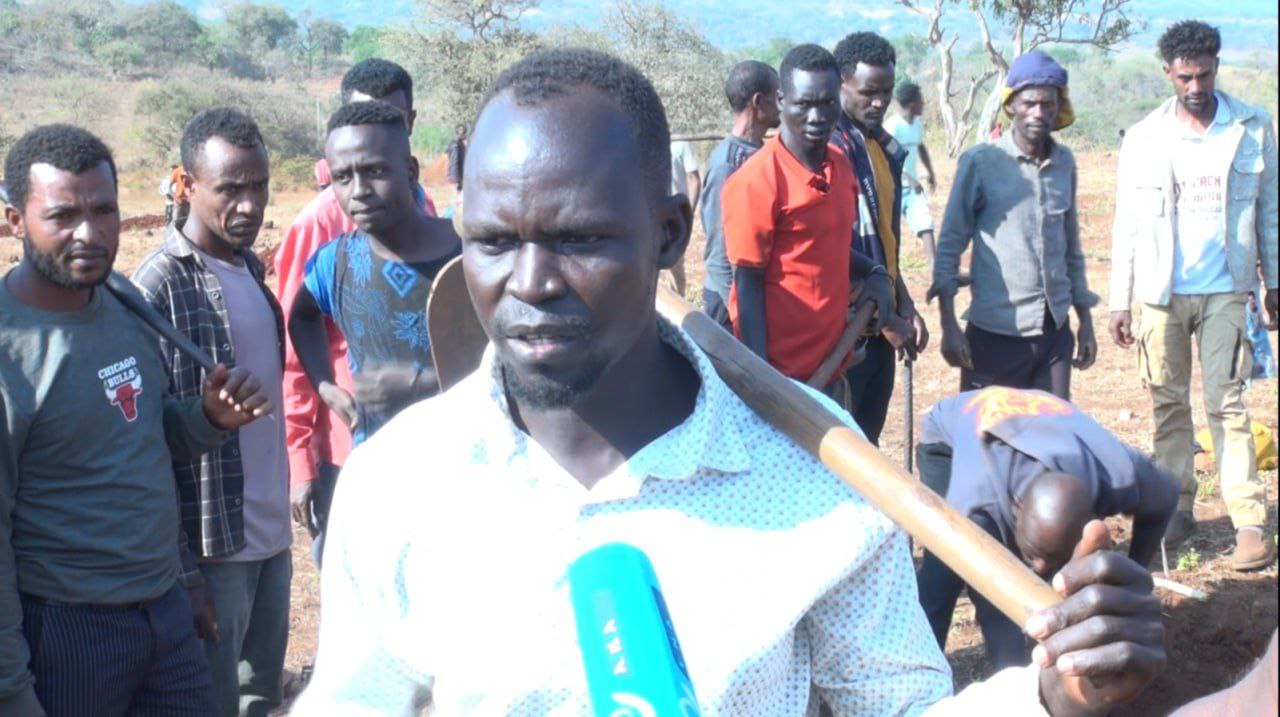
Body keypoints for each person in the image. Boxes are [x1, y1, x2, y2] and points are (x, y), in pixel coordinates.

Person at [294, 47, 1165, 716]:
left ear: (670, 233)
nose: (530, 282)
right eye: (492, 241)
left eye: (581, 238)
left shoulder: (818, 474)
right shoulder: (399, 482)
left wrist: (1047, 694)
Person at [1, 124, 272, 716]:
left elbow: (146, 436)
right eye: (63, 215)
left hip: (165, 614)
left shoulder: (121, 300)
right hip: (70, 631)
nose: (90, 233)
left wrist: (207, 418)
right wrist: (12, 690)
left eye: (104, 210)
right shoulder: (10, 352)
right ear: (15, 220)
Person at [131, 108, 291, 717]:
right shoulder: (158, 287)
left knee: (261, 700)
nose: (250, 205)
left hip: (270, 541)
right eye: (230, 189)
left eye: (260, 186)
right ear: (187, 184)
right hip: (212, 550)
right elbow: (146, 444)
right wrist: (186, 573)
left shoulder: (249, 267)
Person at [1108, 20, 1278, 570]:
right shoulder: (1144, 137)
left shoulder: (1251, 127)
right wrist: (1119, 300)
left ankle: (1248, 520)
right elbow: (1128, 223)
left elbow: (1270, 211)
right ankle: (1176, 507)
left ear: (1216, 67)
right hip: (1162, 293)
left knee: (1227, 403)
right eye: (1185, 77)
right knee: (1168, 404)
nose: (1196, 86)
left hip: (1227, 287)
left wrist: (1274, 282)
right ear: (1168, 73)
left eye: (1204, 74)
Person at [274, 58, 437, 565]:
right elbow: (294, 342)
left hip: (436, 446)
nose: (361, 187)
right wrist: (301, 459)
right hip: (352, 446)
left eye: (392, 120)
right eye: (345, 174)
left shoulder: (434, 217)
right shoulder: (324, 229)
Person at [914, 387, 1178, 671]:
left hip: (1033, 423)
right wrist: (1015, 670)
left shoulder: (1117, 473)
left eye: (1049, 557)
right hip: (948, 441)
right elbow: (992, 587)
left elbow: (1165, 497)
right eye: (1033, 554)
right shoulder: (977, 501)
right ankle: (917, 668)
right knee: (945, 571)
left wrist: (1133, 581)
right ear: (1016, 508)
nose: (1038, 568)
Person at [289, 101, 461, 451]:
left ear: (410, 172)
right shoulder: (335, 263)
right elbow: (302, 317)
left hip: (470, 460)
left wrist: (422, 384)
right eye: (342, 177)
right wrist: (325, 386)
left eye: (376, 171)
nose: (359, 191)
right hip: (377, 463)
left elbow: (513, 360)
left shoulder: (468, 253)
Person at [724, 45, 890, 393]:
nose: (817, 116)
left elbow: (827, 246)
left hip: (833, 368)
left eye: (827, 103)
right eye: (804, 104)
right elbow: (748, 284)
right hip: (784, 382)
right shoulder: (756, 181)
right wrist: (763, 384)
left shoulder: (840, 165)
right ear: (781, 101)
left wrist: (874, 271)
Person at [932, 51, 1097, 401]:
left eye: (1047, 105)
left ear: (1058, 107)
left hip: (1053, 334)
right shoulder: (981, 163)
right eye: (1029, 103)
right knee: (990, 431)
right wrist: (949, 325)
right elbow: (949, 244)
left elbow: (1071, 251)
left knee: (1052, 431)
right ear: (1011, 106)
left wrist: (1085, 323)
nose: (1038, 113)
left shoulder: (1064, 163)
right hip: (994, 335)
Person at [831, 32, 929, 445]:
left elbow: (884, 242)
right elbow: (830, 250)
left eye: (886, 92)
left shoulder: (881, 150)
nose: (879, 102)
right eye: (868, 92)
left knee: (867, 448)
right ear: (841, 82)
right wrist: (886, 320)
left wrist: (904, 303)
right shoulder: (827, 150)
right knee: (842, 455)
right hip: (842, 339)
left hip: (881, 333)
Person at [698, 60, 779, 328]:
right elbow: (719, 257)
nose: (782, 104)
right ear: (759, 102)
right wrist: (744, 319)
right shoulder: (728, 165)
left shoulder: (764, 153)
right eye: (777, 96)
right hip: (728, 305)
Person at [883, 82, 939, 263]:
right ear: (912, 103)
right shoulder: (892, 127)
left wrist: (931, 172)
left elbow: (921, 147)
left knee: (926, 224)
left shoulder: (916, 124)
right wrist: (909, 179)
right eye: (921, 99)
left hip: (912, 190)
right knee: (890, 235)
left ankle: (935, 269)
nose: (924, 103)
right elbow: (885, 160)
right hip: (892, 189)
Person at [665, 138, 701, 296]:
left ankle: (679, 301)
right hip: (649, 214)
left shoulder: (681, 143)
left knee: (675, 265)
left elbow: (694, 179)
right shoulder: (645, 138)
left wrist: (688, 214)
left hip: (673, 217)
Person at [446, 123, 467, 193]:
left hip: (461, 173)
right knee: (458, 192)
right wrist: (455, 177)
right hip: (457, 175)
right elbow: (454, 161)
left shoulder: (460, 143)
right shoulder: (455, 145)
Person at [171, 162, 190, 227]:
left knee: (188, 223)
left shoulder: (193, 170)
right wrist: (175, 197)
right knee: (176, 222)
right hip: (179, 202)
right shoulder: (177, 171)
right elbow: (169, 187)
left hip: (189, 202)